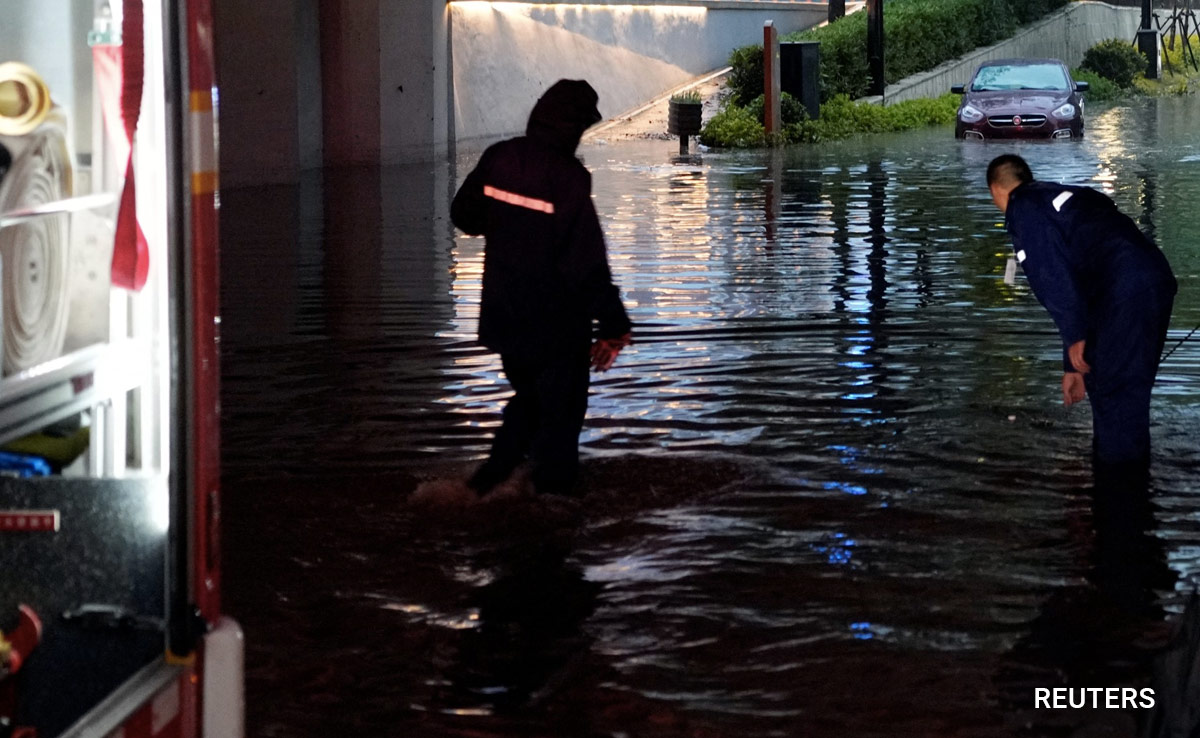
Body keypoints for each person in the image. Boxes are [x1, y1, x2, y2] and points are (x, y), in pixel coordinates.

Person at [450, 79, 632, 497]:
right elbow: (586, 263)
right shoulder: (569, 179)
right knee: (561, 415)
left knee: (531, 402)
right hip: (555, 326)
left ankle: (491, 489)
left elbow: (465, 216)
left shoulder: (499, 157)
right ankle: (546, 505)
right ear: (572, 128)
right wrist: (614, 321)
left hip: (504, 319)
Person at [986, 154, 1176, 474]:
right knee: (1124, 395)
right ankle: (1136, 496)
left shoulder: (1024, 209)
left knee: (1114, 398)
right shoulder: (1060, 199)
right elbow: (1077, 279)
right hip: (1153, 280)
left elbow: (1053, 278)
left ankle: (1119, 501)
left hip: (1122, 291)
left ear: (996, 189)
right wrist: (1072, 365)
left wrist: (1075, 335)